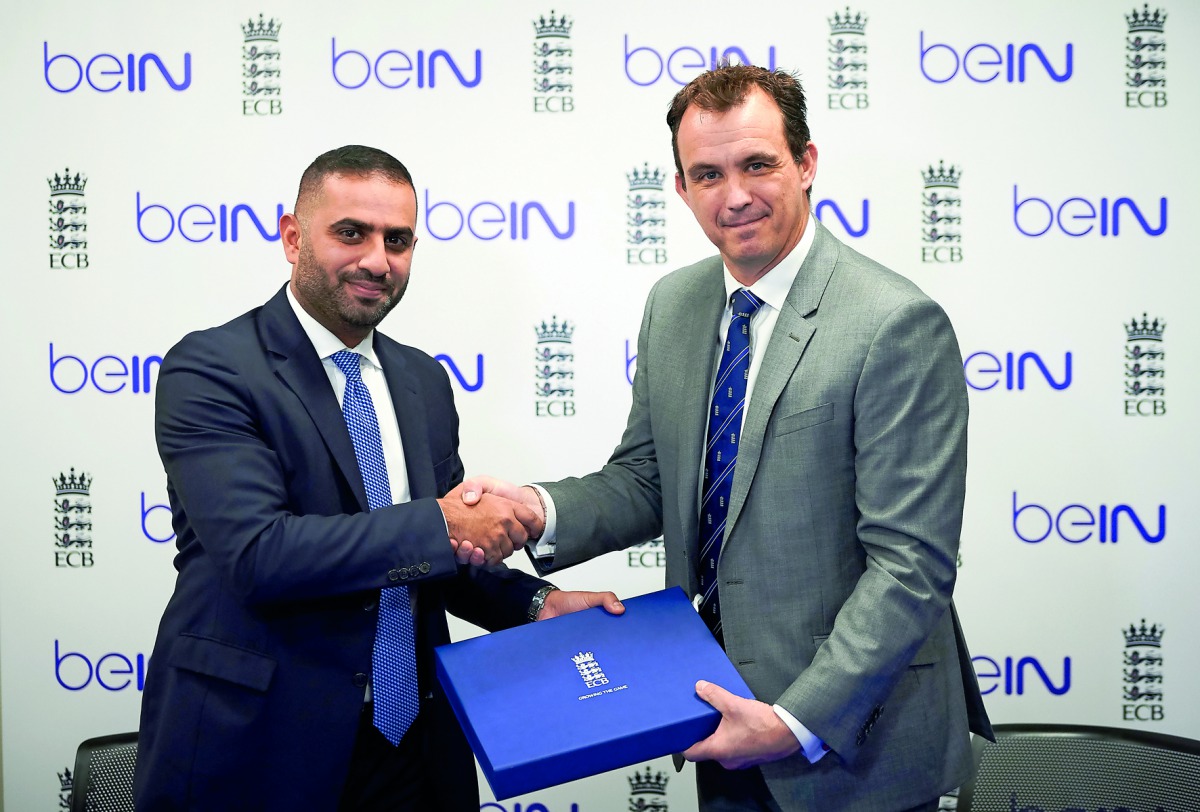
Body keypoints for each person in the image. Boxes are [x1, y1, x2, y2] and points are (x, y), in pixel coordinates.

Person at [458, 66, 993, 811]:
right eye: (707, 173)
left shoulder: (892, 323)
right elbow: (651, 477)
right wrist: (537, 509)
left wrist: (793, 720)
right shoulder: (674, 304)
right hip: (716, 716)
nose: (734, 195)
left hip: (849, 745)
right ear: (680, 189)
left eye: (758, 165)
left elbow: (912, 567)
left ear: (806, 165)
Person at [134, 145, 622, 811]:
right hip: (260, 744)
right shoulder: (213, 368)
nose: (377, 260)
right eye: (351, 233)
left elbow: (440, 557)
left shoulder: (421, 378)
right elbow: (259, 555)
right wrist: (444, 522)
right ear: (292, 237)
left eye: (398, 240)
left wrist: (536, 605)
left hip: (412, 750)